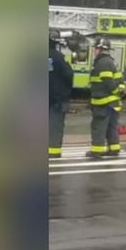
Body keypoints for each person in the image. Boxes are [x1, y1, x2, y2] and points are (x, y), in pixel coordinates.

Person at [87, 37, 125, 158]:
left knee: (99, 126)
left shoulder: (102, 63)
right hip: (112, 103)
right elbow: (120, 80)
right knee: (111, 126)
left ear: (100, 49)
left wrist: (114, 92)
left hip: (104, 102)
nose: (94, 51)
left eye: (96, 48)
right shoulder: (111, 61)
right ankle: (114, 148)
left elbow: (107, 82)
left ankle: (97, 150)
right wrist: (119, 94)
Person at [48, 29, 73, 158]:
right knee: (55, 126)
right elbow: (69, 75)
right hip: (57, 99)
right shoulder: (59, 57)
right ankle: (53, 152)